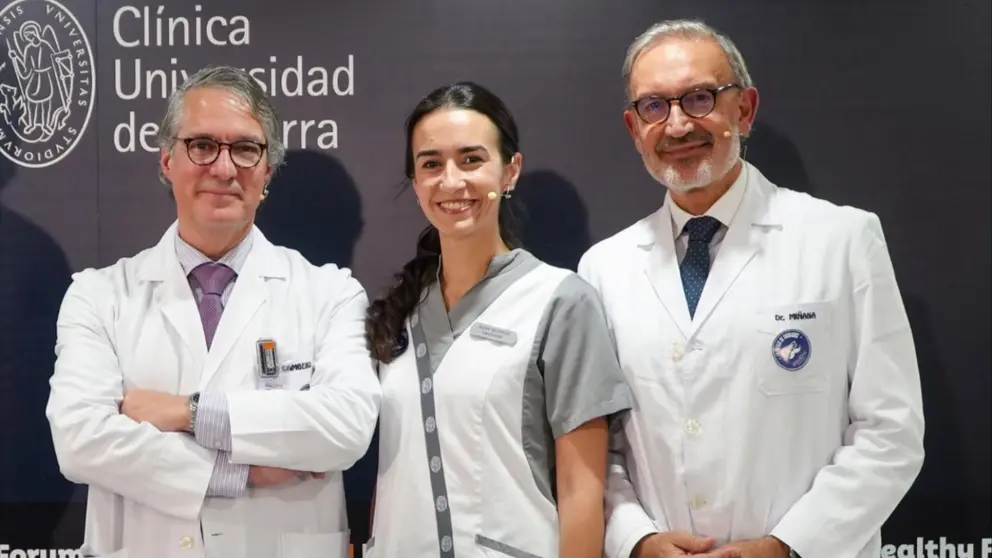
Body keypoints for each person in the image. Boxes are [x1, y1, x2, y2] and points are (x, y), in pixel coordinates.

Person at [577, 19, 925, 558]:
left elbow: (891, 432)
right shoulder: (603, 268)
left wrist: (787, 546)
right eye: (653, 107)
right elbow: (602, 448)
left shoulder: (842, 239)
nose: (676, 126)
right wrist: (636, 540)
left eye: (699, 99)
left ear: (744, 110)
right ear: (632, 127)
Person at [45, 65, 381, 558]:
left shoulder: (331, 293)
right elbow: (79, 439)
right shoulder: (98, 296)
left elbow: (345, 427)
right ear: (167, 160)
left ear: (267, 173)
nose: (224, 168)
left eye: (246, 149)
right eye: (202, 146)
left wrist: (187, 412)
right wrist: (233, 471)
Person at [362, 82, 633, 558]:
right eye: (431, 164)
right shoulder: (399, 310)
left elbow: (582, 493)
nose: (451, 181)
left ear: (510, 171)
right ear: (415, 181)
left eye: (471, 160)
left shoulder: (560, 302)